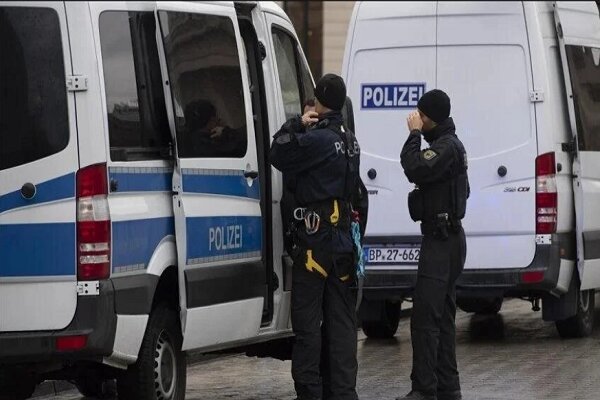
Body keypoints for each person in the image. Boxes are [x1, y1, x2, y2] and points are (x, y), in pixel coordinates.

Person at [270, 74, 366, 400]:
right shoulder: (351, 140)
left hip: (315, 242)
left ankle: (310, 392)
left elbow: (278, 153)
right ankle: (343, 393)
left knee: (308, 326)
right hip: (342, 241)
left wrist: (296, 124)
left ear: (319, 100)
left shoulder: (319, 139)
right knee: (342, 325)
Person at [397, 89, 469, 400]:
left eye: (421, 116)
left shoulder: (446, 147)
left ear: (432, 118)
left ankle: (424, 390)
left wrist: (413, 134)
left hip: (442, 241)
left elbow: (415, 166)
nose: (417, 119)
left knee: (426, 319)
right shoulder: (447, 144)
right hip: (446, 238)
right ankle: (448, 388)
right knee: (442, 317)